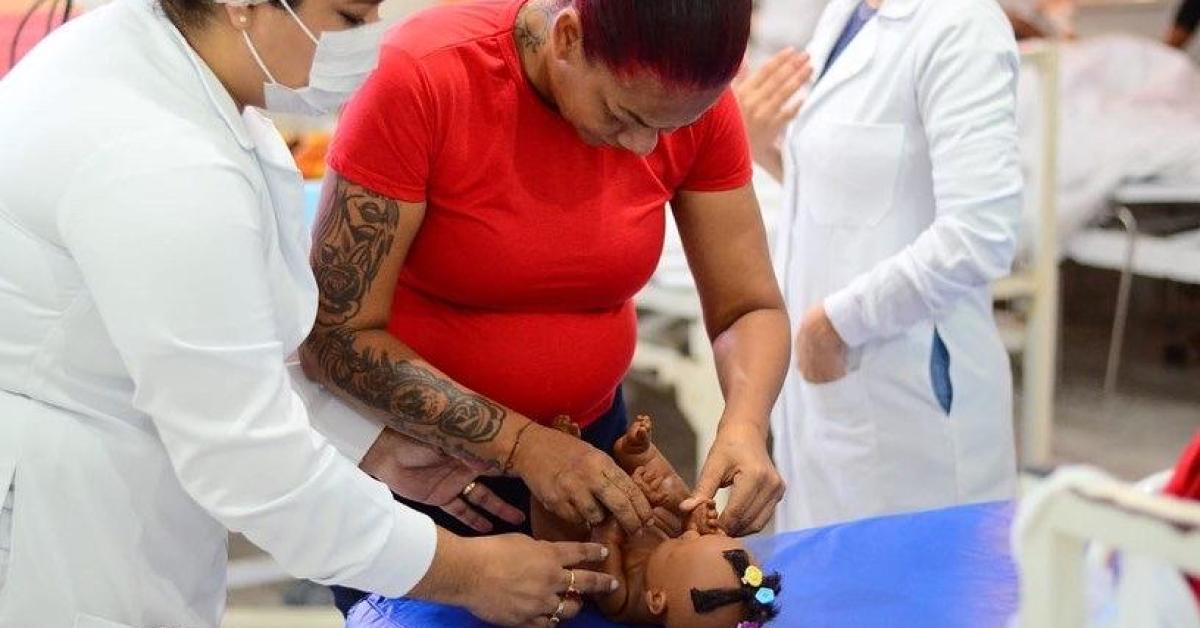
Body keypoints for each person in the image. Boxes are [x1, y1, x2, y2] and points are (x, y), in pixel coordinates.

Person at [0, 0, 619, 624]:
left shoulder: (177, 73)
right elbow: (249, 462)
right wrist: (467, 571)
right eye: (350, 20)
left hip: (116, 484)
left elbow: (229, 351)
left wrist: (367, 444)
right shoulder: (160, 162)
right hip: (56, 529)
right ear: (243, 6)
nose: (369, 44)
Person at [300, 0, 792, 611]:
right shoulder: (424, 78)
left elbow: (748, 306)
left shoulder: (682, 98)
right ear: (567, 38)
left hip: (595, 457)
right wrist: (520, 446)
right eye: (622, 115)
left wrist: (745, 425)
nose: (643, 147)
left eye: (666, 129)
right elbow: (333, 336)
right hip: (429, 472)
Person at [739, 0, 1023, 530]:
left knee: (919, 595)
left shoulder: (961, 26)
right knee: (831, 586)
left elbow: (980, 234)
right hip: (832, 393)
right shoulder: (844, 14)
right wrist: (762, 146)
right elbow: (849, 196)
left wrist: (832, 327)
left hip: (909, 395)